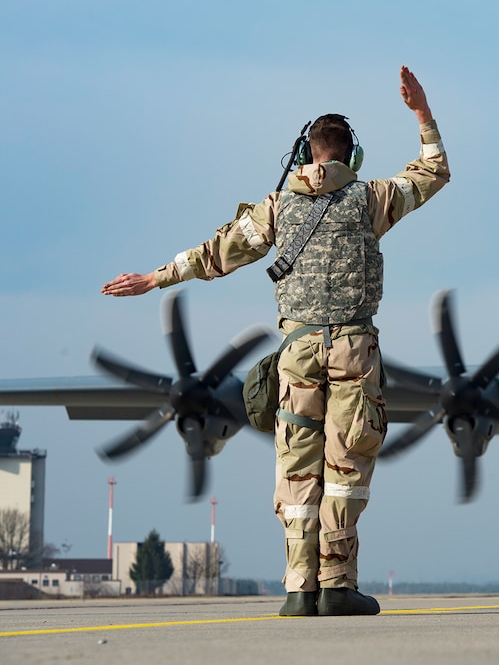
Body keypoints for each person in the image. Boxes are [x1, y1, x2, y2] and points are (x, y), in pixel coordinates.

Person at [101, 66, 450, 617]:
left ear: (306, 153)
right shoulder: (371, 199)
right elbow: (434, 170)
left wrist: (155, 277)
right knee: (346, 467)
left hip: (299, 353)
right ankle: (337, 586)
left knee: (297, 466)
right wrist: (421, 112)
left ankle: (298, 588)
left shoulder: (277, 207)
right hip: (354, 351)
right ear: (350, 157)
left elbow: (215, 253)